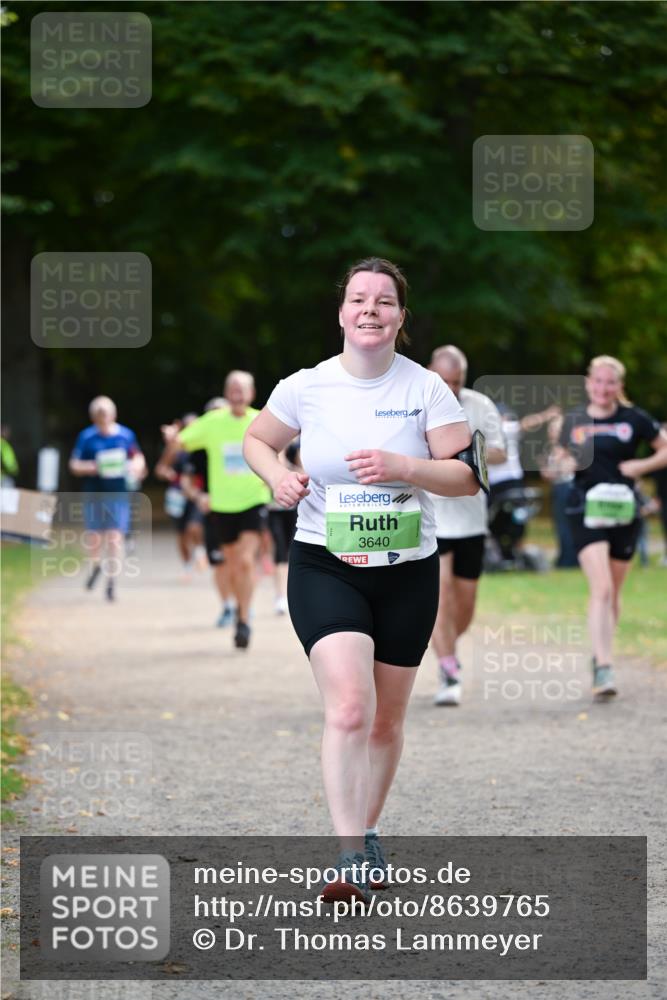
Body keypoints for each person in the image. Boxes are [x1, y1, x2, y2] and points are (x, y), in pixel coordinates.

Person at [244, 258, 479, 903]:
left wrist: (405, 465)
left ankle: (368, 830)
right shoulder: (306, 386)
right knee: (350, 707)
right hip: (325, 563)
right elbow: (258, 441)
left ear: (401, 317)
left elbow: (466, 477)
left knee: (385, 721)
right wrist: (277, 476)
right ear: (342, 312)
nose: (370, 309)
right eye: (358, 299)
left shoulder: (427, 389)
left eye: (384, 300)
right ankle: (350, 857)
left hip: (407, 572)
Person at [558, 355, 667, 698]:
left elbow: (664, 449)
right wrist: (562, 463)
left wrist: (640, 466)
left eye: (610, 382)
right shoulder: (574, 419)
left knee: (614, 592)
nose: (603, 388)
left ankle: (600, 653)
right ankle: (605, 666)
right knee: (602, 588)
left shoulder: (634, 418)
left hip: (623, 510)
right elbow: (558, 459)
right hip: (584, 509)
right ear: (588, 382)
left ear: (619, 385)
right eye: (598, 381)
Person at [166, 373, 270, 649]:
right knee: (232, 564)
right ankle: (238, 608)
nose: (237, 393)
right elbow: (180, 442)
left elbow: (280, 448)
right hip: (222, 505)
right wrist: (166, 460)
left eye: (242, 389)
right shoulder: (212, 422)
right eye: (232, 389)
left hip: (254, 500)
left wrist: (275, 475)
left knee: (246, 561)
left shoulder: (261, 420)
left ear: (251, 393)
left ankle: (244, 620)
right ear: (226, 393)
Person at [428, 346, 507, 706]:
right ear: (431, 372)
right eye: (444, 380)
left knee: (465, 605)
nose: (451, 388)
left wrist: (468, 453)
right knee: (440, 595)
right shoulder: (416, 403)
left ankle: (446, 646)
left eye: (456, 382)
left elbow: (501, 452)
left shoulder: (480, 405)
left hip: (471, 519)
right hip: (432, 516)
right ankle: (448, 667)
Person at [69, 396, 146, 601]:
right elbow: (74, 465)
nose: (103, 418)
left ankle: (112, 582)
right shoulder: (86, 437)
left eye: (106, 414)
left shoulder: (126, 435)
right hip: (94, 493)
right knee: (95, 538)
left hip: (118, 494)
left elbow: (137, 457)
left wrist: (136, 467)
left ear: (113, 414)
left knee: (114, 537)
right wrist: (92, 467)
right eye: (99, 415)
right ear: (93, 417)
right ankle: (96, 566)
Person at [155, 414, 207, 580]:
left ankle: (200, 552)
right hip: (178, 496)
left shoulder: (204, 447)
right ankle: (187, 566)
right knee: (181, 534)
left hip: (197, 495)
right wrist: (168, 474)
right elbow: (160, 469)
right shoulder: (176, 448)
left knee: (194, 527)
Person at [539, 412, 578, 568]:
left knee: (570, 524)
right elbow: (549, 474)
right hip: (558, 487)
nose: (552, 432)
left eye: (555, 429)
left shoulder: (570, 447)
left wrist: (555, 466)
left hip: (569, 488)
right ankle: (564, 556)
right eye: (551, 429)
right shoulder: (552, 449)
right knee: (560, 525)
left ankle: (571, 559)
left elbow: (570, 467)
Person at [267, 438, 301, 615]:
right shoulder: (267, 453)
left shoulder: (295, 450)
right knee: (280, 552)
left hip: (294, 510)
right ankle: (280, 596)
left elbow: (304, 473)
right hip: (273, 510)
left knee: (293, 552)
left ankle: (292, 595)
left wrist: (285, 462)